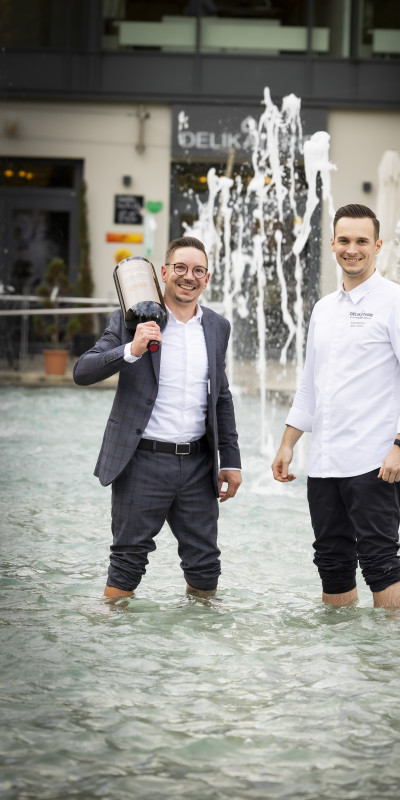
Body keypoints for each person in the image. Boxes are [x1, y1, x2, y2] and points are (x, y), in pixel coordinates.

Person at [271, 204, 400, 609]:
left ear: (377, 245)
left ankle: (390, 658)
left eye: (362, 241)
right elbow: (310, 383)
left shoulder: (398, 302)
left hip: (374, 461)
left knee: (380, 563)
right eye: (344, 240)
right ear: (332, 244)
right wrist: (288, 443)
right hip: (324, 463)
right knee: (331, 563)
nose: (352, 249)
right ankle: (340, 659)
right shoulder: (323, 309)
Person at [74, 236, 242, 600]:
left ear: (207, 278)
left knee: (205, 566)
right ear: (164, 273)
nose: (188, 276)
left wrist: (230, 460)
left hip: (198, 466)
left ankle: (195, 649)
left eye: (198, 270)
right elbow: (82, 371)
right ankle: (111, 641)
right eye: (180, 268)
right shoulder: (131, 317)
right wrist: (130, 350)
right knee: (127, 562)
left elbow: (221, 397)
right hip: (142, 462)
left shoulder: (217, 327)